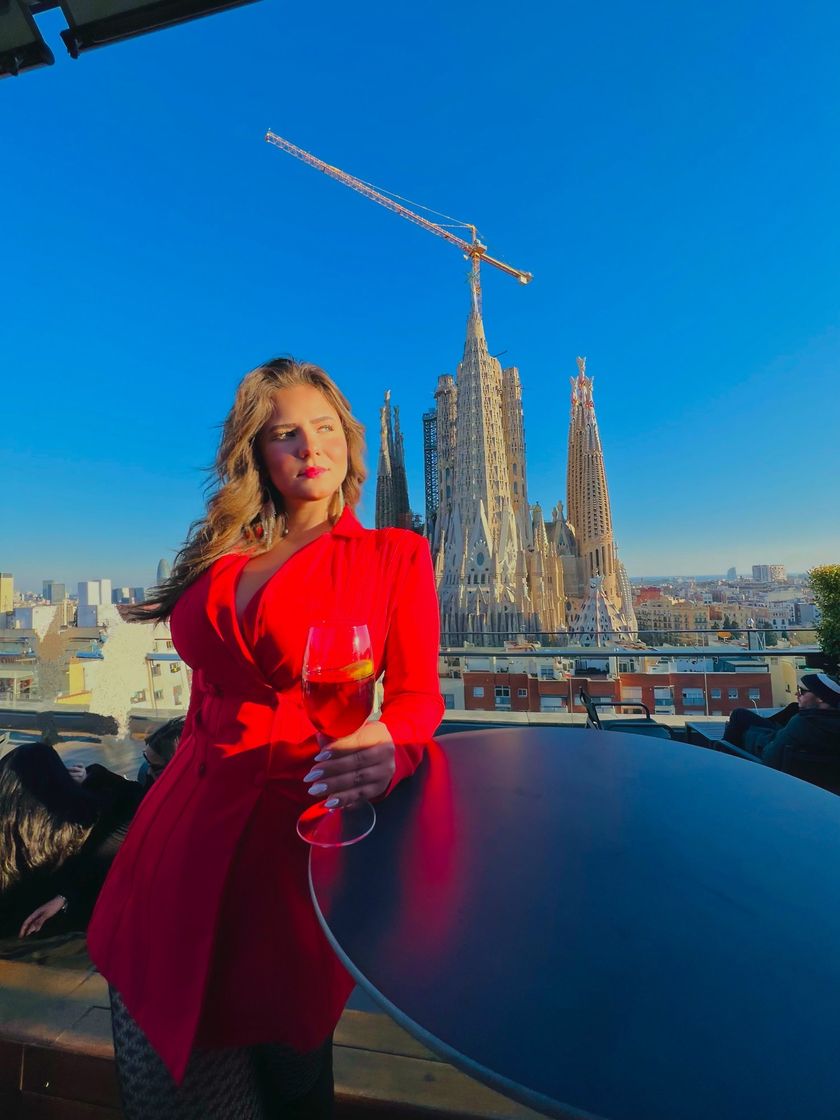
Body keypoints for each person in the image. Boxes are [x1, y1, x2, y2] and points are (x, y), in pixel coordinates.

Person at [86, 357, 443, 1120]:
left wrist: (392, 743)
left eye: (324, 431)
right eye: (286, 434)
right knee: (165, 1065)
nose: (309, 448)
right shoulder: (226, 552)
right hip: (174, 834)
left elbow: (416, 700)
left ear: (350, 444)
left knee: (290, 1058)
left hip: (291, 841)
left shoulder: (394, 556)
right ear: (260, 453)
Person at [15, 718, 184, 938]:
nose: (149, 772)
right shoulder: (155, 780)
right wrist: (92, 777)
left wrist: (63, 898)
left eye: (156, 768)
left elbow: (108, 849)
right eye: (145, 760)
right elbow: (133, 791)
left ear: (178, 766)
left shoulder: (164, 809)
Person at [723, 672, 840, 768]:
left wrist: (755, 737)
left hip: (768, 758)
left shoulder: (801, 723)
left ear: (820, 697)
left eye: (801, 691)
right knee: (793, 708)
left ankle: (721, 758)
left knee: (739, 716)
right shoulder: (828, 724)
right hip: (816, 773)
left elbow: (769, 757)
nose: (796, 693)